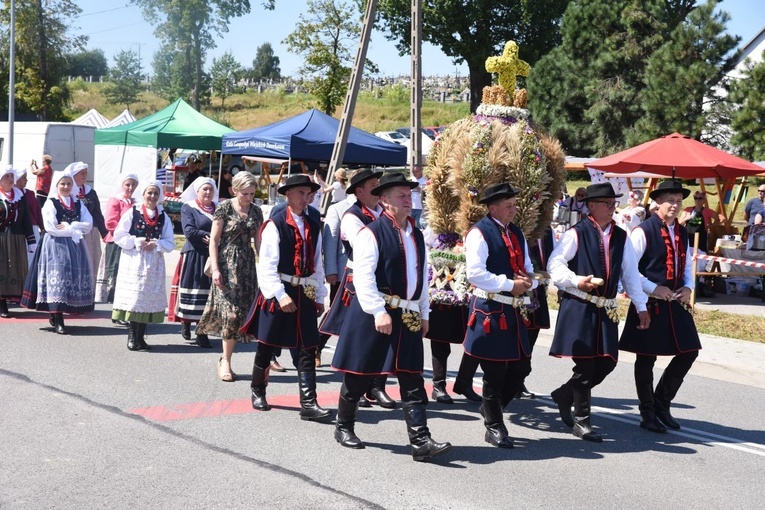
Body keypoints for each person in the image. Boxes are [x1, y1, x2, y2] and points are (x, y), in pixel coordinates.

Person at [331, 172, 452, 461]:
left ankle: (420, 442)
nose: (408, 199)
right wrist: (377, 311)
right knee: (361, 373)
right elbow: (363, 277)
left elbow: (421, 277)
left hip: (407, 315)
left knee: (411, 378)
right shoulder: (371, 232)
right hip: (376, 313)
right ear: (384, 200)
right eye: (401, 195)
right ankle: (343, 425)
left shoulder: (417, 234)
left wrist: (424, 312)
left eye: (409, 194)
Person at [548, 182, 650, 442]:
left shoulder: (621, 235)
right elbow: (554, 264)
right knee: (585, 364)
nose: (612, 207)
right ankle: (582, 421)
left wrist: (641, 305)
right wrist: (574, 280)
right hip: (579, 305)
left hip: (605, 309)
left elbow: (630, 274)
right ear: (591, 206)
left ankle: (563, 394)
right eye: (607, 203)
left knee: (606, 363)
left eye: (613, 203)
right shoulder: (576, 233)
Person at [242, 174, 330, 422]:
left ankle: (309, 403)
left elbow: (317, 262)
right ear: (288, 195)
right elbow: (266, 265)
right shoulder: (275, 224)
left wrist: (320, 293)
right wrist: (280, 296)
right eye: (301, 193)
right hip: (278, 290)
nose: (306, 198)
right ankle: (257, 390)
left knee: (307, 347)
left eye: (308, 193)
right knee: (267, 344)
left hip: (304, 293)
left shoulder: (314, 224)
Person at [619, 180, 702, 433]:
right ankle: (647, 412)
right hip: (650, 302)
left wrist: (688, 287)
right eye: (670, 201)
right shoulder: (642, 231)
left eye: (679, 201)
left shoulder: (682, 231)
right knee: (646, 358)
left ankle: (661, 403)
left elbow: (687, 265)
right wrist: (654, 288)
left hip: (675, 301)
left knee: (689, 351)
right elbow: (629, 271)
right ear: (658, 202)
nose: (675, 206)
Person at [462, 183, 535, 448]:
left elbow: (527, 267)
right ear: (493, 207)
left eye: (514, 205)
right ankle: (494, 426)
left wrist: (529, 282)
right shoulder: (479, 233)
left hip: (513, 309)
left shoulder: (515, 232)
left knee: (521, 368)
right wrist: (509, 284)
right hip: (490, 310)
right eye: (508, 206)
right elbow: (475, 274)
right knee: (494, 373)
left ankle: (491, 409)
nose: (513, 210)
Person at [320, 168, 396, 409]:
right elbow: (365, 244)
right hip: (360, 281)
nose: (378, 189)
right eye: (373, 185)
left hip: (386, 280)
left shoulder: (385, 213)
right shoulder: (352, 216)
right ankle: (357, 386)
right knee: (361, 337)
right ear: (360, 191)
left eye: (378, 184)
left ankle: (377, 386)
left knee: (386, 336)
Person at [197, 172, 263, 380]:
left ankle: (265, 360)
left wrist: (267, 266)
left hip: (247, 267)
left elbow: (259, 241)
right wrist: (216, 269)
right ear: (235, 190)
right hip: (227, 266)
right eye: (245, 193)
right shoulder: (224, 208)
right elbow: (214, 241)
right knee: (231, 314)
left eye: (252, 193)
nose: (249, 197)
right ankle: (225, 360)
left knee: (246, 314)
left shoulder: (256, 211)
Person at [21, 170, 94, 334]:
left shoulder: (78, 203)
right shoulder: (51, 203)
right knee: (59, 278)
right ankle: (58, 316)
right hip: (55, 245)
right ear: (56, 185)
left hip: (75, 244)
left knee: (70, 278)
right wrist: (72, 229)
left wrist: (72, 226)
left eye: (69, 183)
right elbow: (51, 227)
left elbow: (88, 224)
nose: (66, 186)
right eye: (63, 183)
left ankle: (58, 313)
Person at [111, 180, 175, 351]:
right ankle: (132, 337)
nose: (152, 196)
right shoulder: (133, 212)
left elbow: (170, 242)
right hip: (135, 260)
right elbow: (119, 235)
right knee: (136, 298)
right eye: (149, 193)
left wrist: (157, 244)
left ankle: (141, 337)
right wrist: (137, 241)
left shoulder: (163, 216)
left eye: (155, 193)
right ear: (143, 194)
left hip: (153, 262)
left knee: (148, 299)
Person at [169, 177, 219, 348]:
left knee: (208, 294)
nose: (207, 192)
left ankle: (202, 332)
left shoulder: (218, 209)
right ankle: (186, 322)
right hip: (195, 254)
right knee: (195, 290)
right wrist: (210, 237)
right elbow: (189, 231)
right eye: (204, 189)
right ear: (197, 191)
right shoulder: (189, 207)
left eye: (210, 189)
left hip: (213, 255)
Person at [518, 226, 555, 398]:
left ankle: (519, 380)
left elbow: (553, 259)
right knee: (517, 335)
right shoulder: (518, 225)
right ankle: (508, 379)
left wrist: (560, 288)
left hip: (537, 289)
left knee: (532, 334)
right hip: (518, 287)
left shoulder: (547, 229)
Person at [97, 173, 139, 311]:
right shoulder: (116, 200)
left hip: (131, 243)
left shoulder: (136, 202)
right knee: (115, 271)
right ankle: (114, 301)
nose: (130, 187)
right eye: (128, 184)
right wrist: (125, 235)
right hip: (116, 242)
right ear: (122, 186)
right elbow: (110, 222)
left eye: (133, 185)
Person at [0, 167, 35, 318]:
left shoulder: (19, 196)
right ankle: (2, 304)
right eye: (6, 176)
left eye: (11, 176)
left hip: (17, 239)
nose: (10, 178)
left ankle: (12, 299)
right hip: (1, 239)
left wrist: (31, 240)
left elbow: (26, 219)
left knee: (14, 269)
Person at [69, 163, 108, 296]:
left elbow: (97, 214)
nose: (85, 176)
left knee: (91, 263)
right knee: (76, 264)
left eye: (86, 173)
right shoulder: (68, 191)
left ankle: (87, 295)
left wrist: (105, 233)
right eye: (82, 173)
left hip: (90, 234)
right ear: (73, 175)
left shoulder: (90, 192)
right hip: (73, 234)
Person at [12, 168, 44, 267]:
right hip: (19, 230)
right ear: (16, 180)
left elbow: (37, 211)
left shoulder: (30, 194)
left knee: (34, 256)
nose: (26, 180)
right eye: (24, 178)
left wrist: (42, 226)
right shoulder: (12, 195)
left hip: (33, 229)